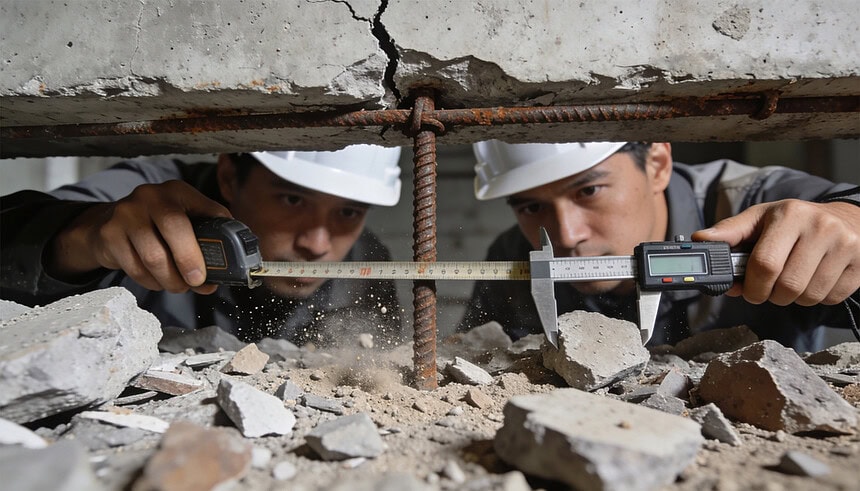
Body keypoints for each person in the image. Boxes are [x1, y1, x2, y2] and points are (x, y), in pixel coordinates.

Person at [458, 141, 860, 352]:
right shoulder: (513, 255)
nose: (566, 235)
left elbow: (843, 220)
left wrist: (851, 219)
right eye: (531, 206)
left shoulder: (759, 204)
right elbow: (475, 357)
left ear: (657, 165)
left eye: (589, 190)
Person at [1, 145, 405, 347]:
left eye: (348, 212)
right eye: (293, 200)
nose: (317, 245)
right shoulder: (142, 200)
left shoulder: (365, 262)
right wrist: (81, 239)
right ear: (229, 176)